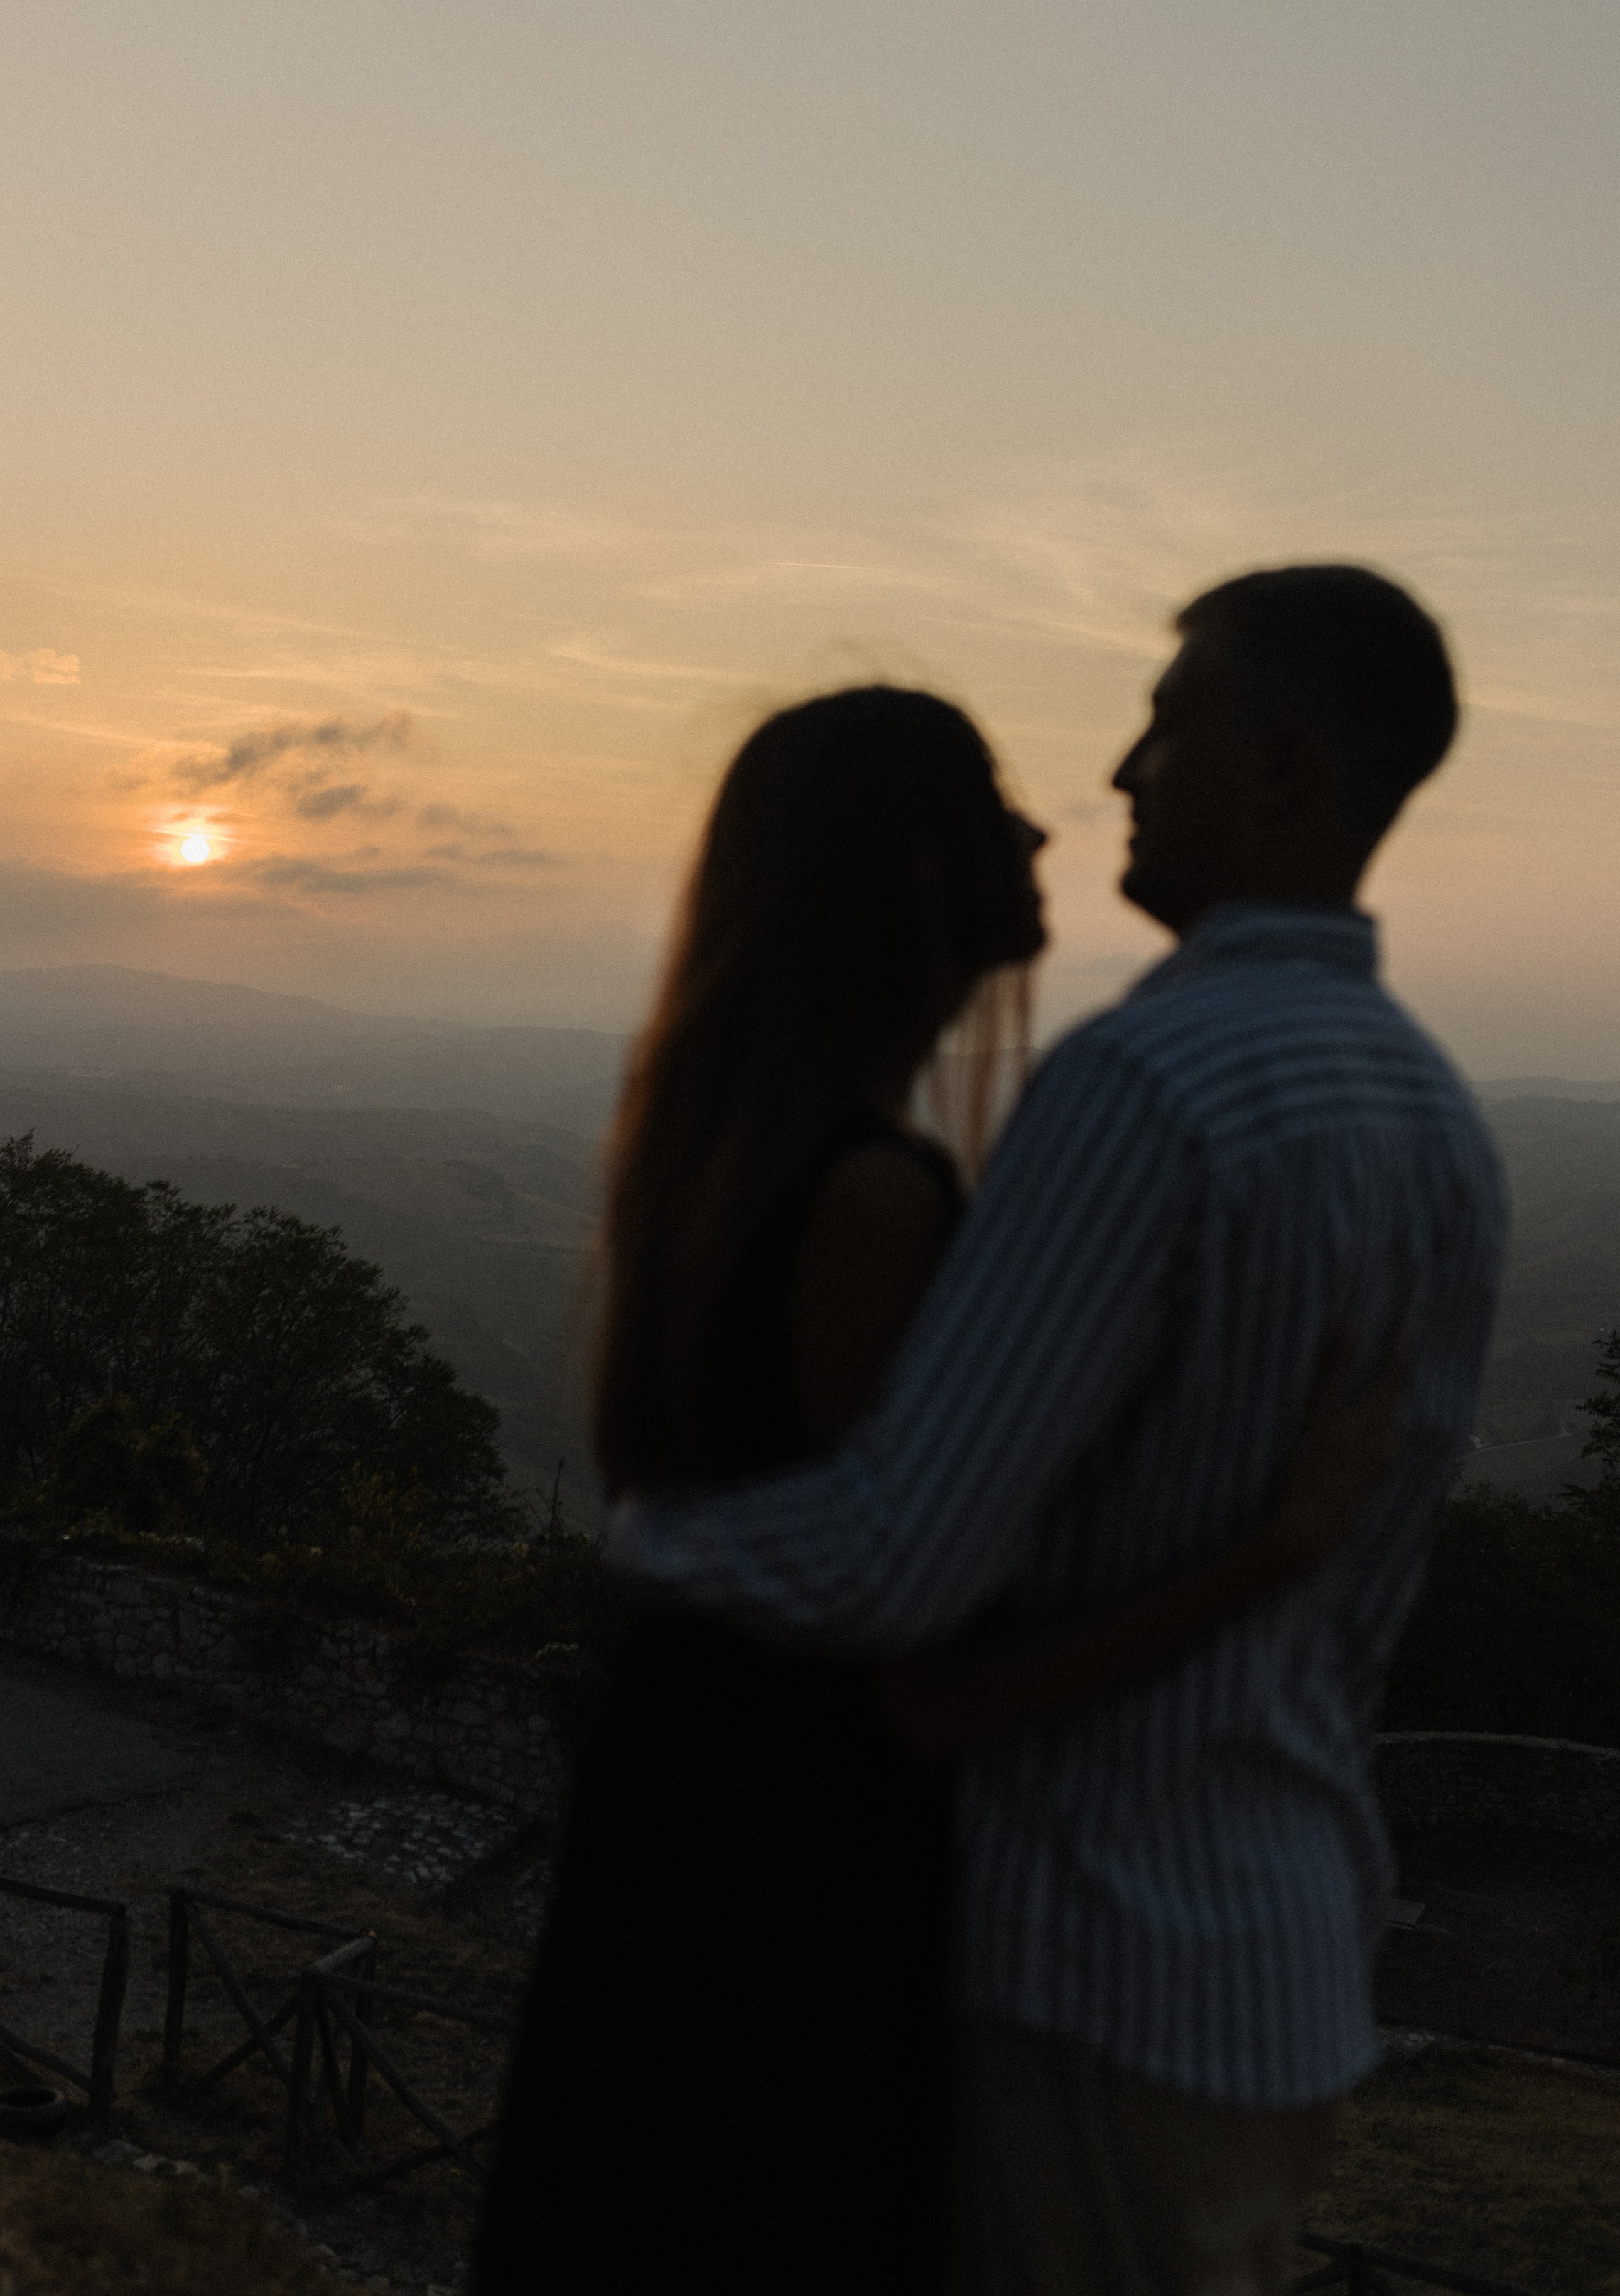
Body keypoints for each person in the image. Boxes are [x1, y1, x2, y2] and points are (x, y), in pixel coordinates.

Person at [609, 569, 1508, 2296]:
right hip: (1284, 1961)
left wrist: (646, 1537)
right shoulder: (1435, 1117)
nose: (1117, 768)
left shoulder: (1149, 1085)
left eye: (1163, 724)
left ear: (1277, 768)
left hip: (1095, 1955)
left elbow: (891, 1560)